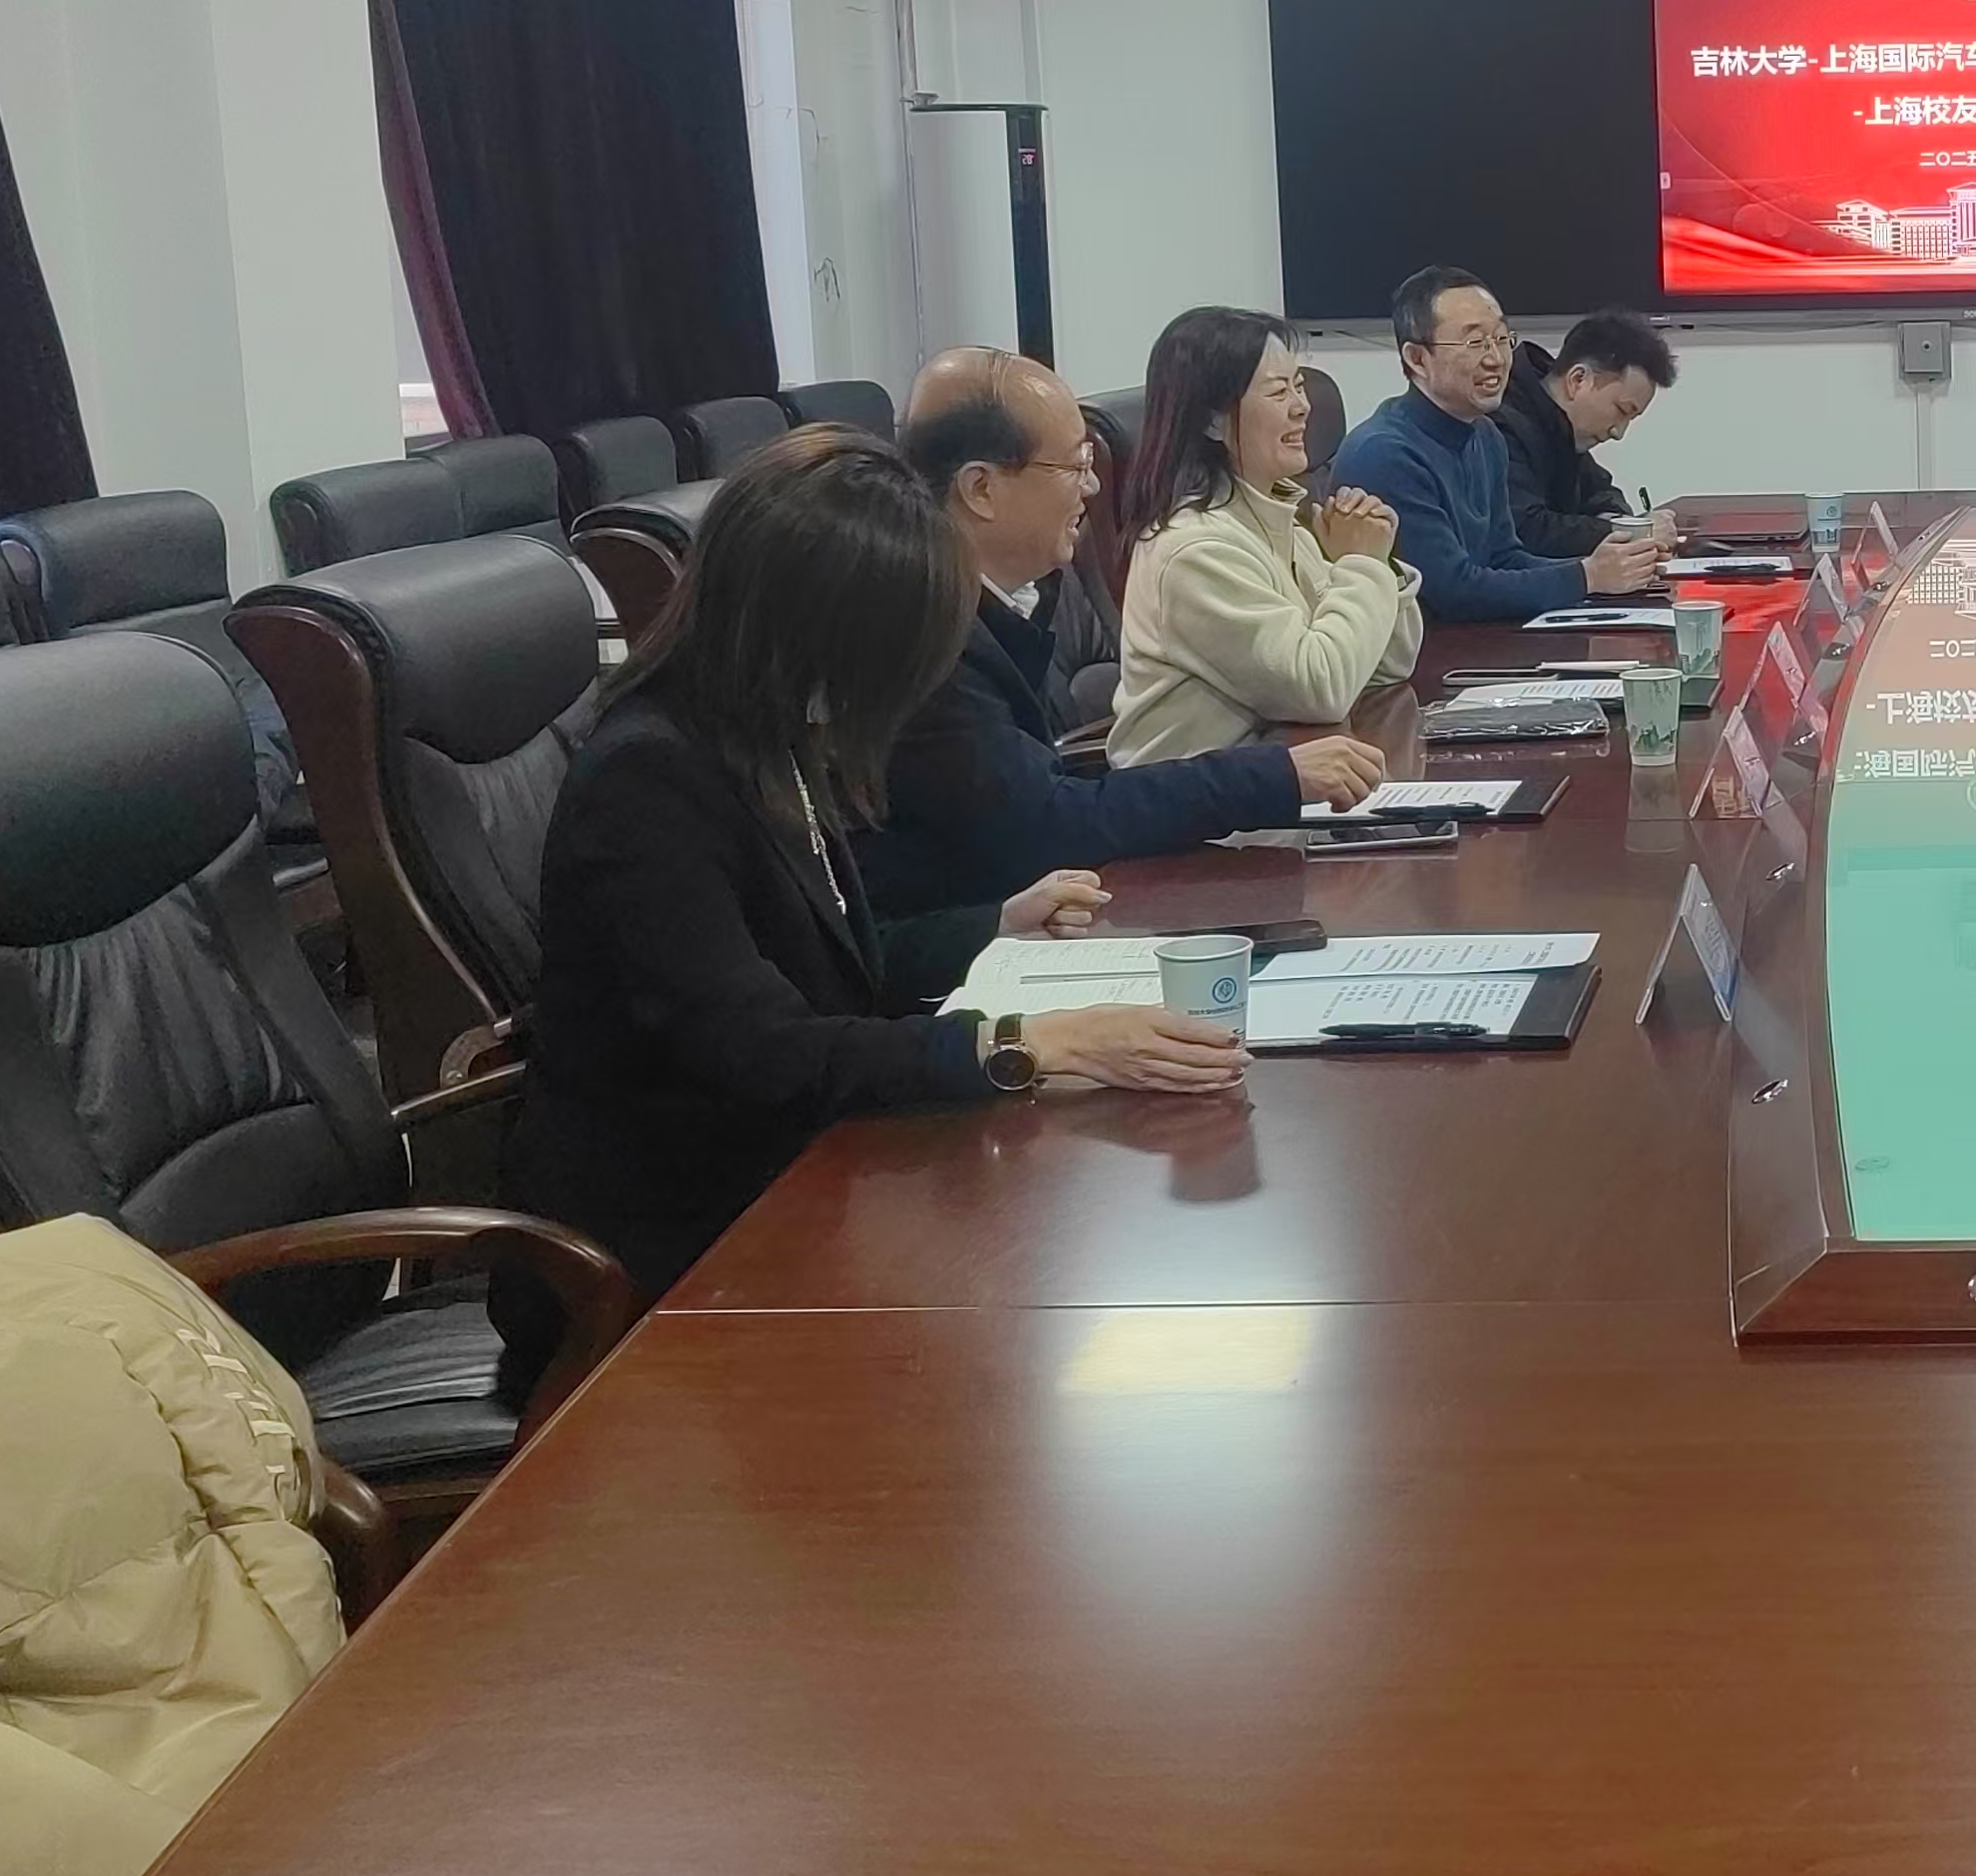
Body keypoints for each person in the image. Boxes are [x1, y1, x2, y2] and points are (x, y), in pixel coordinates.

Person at [506, 431, 1244, 1366]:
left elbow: (825, 964)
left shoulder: (765, 734)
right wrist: (1022, 1043)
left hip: (796, 1180)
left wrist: (990, 927)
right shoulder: (648, 781)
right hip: (670, 1255)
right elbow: (762, 1048)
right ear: (820, 629)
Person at [857, 349, 1384, 933]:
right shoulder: (924, 637)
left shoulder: (1005, 602)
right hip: (959, 951)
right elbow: (1043, 824)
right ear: (981, 488)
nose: (1091, 486)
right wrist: (1275, 777)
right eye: (1074, 465)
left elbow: (1035, 791)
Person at [1112, 307, 1428, 763]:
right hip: (1206, 804)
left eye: (1299, 385)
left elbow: (1389, 665)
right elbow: (1321, 689)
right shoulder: (1194, 550)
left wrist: (1379, 560)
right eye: (1279, 391)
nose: (1302, 406)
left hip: (1285, 778)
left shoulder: (1282, 520)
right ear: (1212, 421)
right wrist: (1360, 563)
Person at [1331, 268, 1665, 621]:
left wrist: (1608, 568)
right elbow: (1451, 591)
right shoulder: (1386, 454)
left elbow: (1505, 557)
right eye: (1475, 343)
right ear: (1418, 359)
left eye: (1501, 338)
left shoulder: (1485, 436)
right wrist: (1588, 576)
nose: (1495, 359)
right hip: (1427, 646)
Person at [1498, 308, 1681, 560]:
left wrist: (1619, 523)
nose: (1618, 432)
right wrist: (1630, 532)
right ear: (1578, 380)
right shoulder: (1501, 424)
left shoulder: (1561, 427)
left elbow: (1601, 493)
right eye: (1622, 410)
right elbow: (1526, 529)